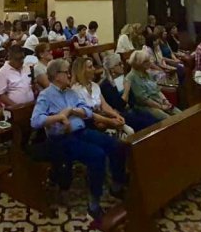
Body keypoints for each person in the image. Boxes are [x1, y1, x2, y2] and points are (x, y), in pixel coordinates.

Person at [31, 58, 127, 221]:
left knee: (115, 145)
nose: (70, 75)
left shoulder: (71, 92)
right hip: (62, 138)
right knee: (97, 155)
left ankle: (116, 185)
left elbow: (87, 112)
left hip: (81, 132)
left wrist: (72, 110)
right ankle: (94, 204)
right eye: (66, 72)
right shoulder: (45, 95)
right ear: (56, 75)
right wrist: (59, 117)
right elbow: (35, 121)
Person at [71, 57, 132, 136]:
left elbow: (104, 105)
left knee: (129, 130)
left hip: (103, 118)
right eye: (90, 67)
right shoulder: (75, 90)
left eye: (93, 66)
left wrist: (117, 116)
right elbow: (88, 114)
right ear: (82, 71)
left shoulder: (95, 86)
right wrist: (110, 121)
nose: (94, 69)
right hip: (90, 122)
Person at [126, 50, 180, 120]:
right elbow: (144, 99)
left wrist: (165, 100)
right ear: (138, 63)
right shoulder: (131, 77)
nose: (150, 62)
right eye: (146, 61)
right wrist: (161, 107)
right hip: (146, 106)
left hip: (158, 101)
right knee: (169, 119)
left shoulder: (146, 73)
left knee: (180, 114)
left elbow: (157, 90)